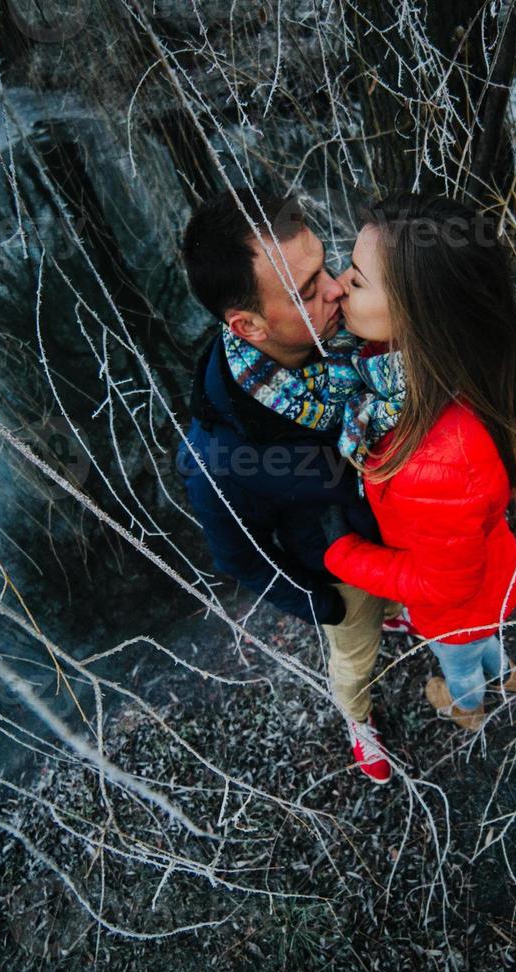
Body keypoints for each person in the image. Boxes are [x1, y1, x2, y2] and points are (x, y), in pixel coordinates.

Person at [177, 189, 408, 783]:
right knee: (356, 659)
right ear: (248, 325)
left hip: (394, 531)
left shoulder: (347, 337)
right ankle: (359, 720)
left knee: (403, 596)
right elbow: (240, 556)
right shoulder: (222, 455)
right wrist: (320, 601)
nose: (335, 288)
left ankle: (396, 608)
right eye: (307, 290)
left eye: (325, 266)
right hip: (339, 568)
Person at [320, 193, 516, 731]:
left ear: (419, 315)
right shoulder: (443, 377)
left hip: (455, 606)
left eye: (356, 278)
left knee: (458, 659)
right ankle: (507, 674)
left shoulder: (438, 459)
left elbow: (442, 585)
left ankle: (467, 707)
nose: (336, 285)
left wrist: (343, 554)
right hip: (487, 574)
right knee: (485, 639)